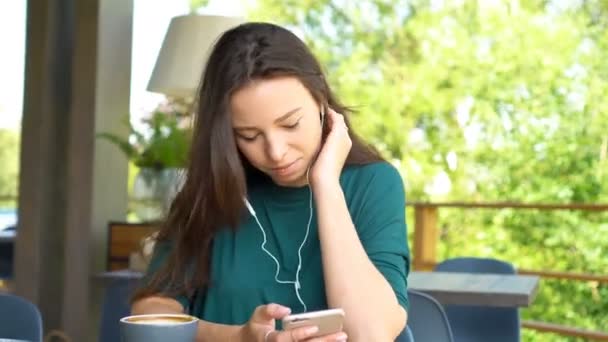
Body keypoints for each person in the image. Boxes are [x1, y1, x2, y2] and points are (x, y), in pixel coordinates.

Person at [132, 22, 410, 342]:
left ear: (321, 101)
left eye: (290, 124)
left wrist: (326, 183)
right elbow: (149, 315)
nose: (276, 153)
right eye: (248, 136)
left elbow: (371, 335)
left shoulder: (374, 184)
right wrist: (239, 338)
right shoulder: (210, 194)